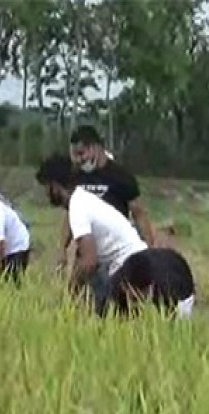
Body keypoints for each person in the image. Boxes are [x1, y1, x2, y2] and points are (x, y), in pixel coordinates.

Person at [36, 153, 194, 319]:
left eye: (46, 187)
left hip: (132, 268)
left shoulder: (78, 206)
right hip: (141, 262)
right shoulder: (85, 199)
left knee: (109, 321)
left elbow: (89, 261)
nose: (46, 193)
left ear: (55, 186)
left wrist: (70, 293)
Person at [60, 125, 157, 308]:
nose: (79, 160)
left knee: (116, 306)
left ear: (96, 147)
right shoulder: (78, 178)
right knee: (86, 305)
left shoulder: (121, 177)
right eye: (75, 156)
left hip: (115, 254)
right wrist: (62, 249)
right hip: (87, 252)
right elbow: (69, 216)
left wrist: (150, 252)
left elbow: (139, 214)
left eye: (81, 154)